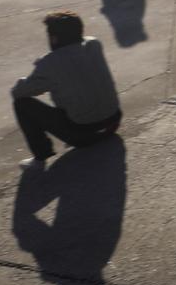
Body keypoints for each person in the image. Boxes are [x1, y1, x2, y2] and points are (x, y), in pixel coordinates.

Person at [10, 10, 121, 167]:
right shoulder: (94, 45)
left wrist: (25, 80)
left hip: (84, 135)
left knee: (21, 104)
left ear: (53, 38)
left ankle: (40, 156)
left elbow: (18, 92)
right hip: (112, 124)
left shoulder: (49, 63)